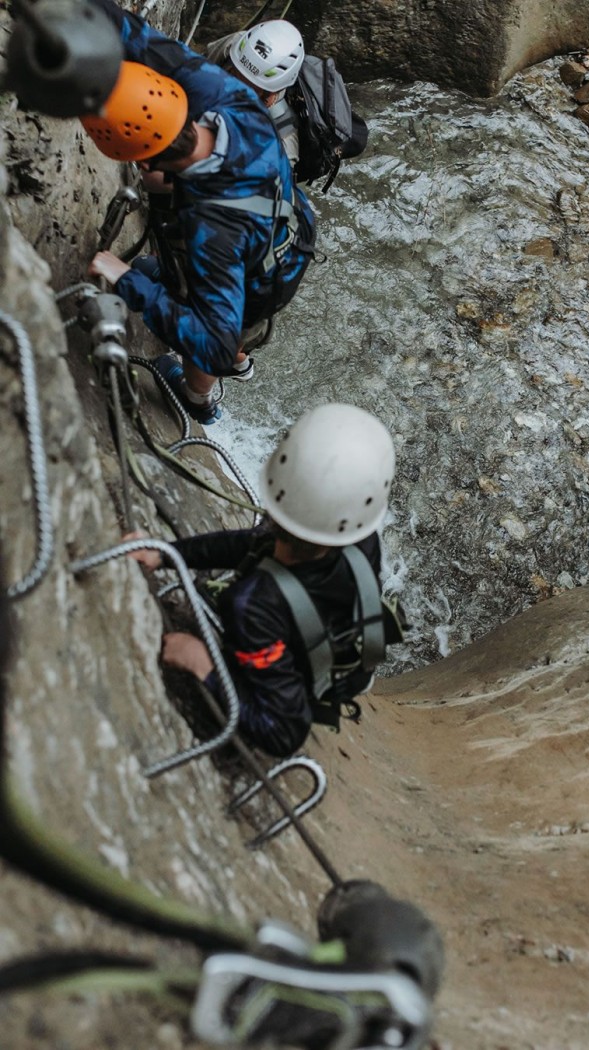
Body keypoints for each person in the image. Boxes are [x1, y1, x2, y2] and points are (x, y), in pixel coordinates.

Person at [83, 0, 316, 425]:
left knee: (219, 335)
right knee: (184, 281)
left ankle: (198, 400)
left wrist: (128, 280)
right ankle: (183, 296)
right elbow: (147, 42)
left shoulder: (215, 235)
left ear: (144, 162)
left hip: (265, 271)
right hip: (284, 221)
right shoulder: (232, 97)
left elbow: (214, 344)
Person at [127, 404, 403, 759]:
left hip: (298, 672)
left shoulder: (252, 605)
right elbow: (255, 545)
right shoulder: (358, 538)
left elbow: (284, 732)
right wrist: (167, 553)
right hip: (346, 655)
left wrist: (205, 667)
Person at [206, 20, 304, 173]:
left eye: (248, 89)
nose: (235, 91)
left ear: (270, 97)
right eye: (233, 75)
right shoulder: (234, 47)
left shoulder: (281, 145)